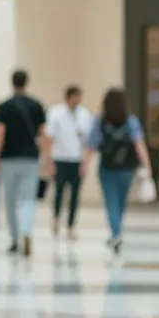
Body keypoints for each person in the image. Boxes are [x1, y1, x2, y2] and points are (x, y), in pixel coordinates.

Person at [0, 70, 48, 257]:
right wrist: (47, 159)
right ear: (26, 82)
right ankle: (27, 231)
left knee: (10, 200)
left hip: (8, 159)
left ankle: (14, 239)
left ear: (12, 82)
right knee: (28, 199)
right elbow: (43, 135)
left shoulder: (5, 107)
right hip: (30, 159)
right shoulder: (36, 106)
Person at [85, 88, 152, 254]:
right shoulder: (131, 121)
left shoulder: (100, 122)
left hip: (107, 168)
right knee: (121, 201)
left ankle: (116, 233)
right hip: (127, 168)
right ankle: (117, 231)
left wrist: (83, 165)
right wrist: (147, 165)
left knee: (111, 201)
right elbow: (139, 144)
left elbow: (91, 145)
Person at [46, 85, 93, 239]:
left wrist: (85, 163)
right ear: (68, 98)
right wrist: (49, 161)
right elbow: (49, 137)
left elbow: (88, 141)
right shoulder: (56, 113)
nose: (77, 100)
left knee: (75, 194)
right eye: (75, 97)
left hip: (76, 159)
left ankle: (71, 225)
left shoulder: (84, 115)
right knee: (59, 191)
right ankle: (56, 218)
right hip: (60, 158)